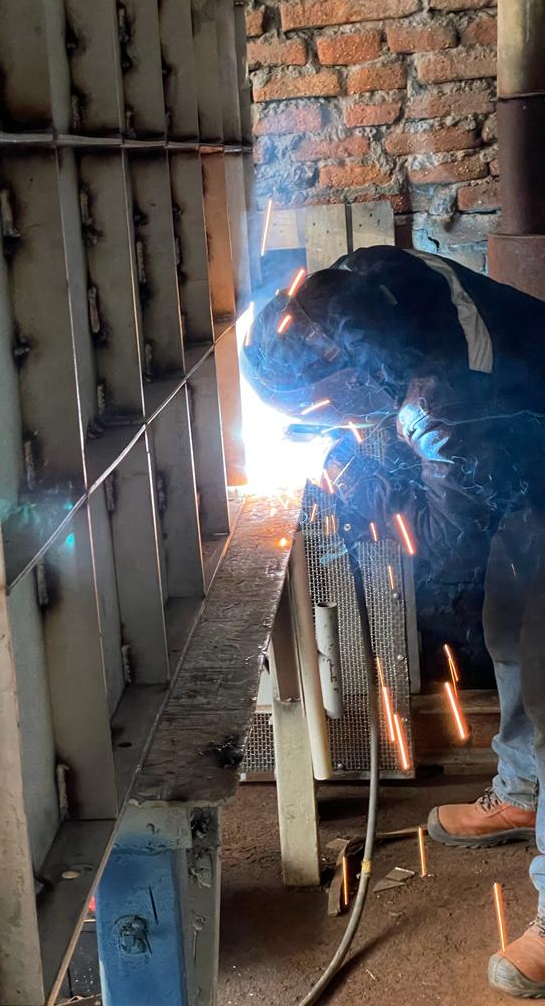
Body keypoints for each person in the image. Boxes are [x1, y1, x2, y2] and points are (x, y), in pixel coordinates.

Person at [241, 245, 545, 999]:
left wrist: (360, 484)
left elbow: (443, 552)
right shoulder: (366, 284)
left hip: (524, 451)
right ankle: (524, 789)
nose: (333, 419)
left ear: (360, 373)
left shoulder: (446, 407)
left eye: (329, 406)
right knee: (512, 623)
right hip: (524, 468)